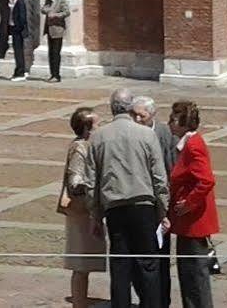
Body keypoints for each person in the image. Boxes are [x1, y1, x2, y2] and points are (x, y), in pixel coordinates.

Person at [89, 87, 171, 308]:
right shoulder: (146, 134)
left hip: (114, 207)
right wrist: (163, 210)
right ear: (131, 107)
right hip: (143, 206)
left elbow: (93, 181)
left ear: (112, 108)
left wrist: (95, 216)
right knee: (149, 265)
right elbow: (159, 177)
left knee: (120, 267)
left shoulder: (98, 136)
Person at [168, 101, 219, 308]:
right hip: (186, 222)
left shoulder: (193, 145)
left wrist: (188, 204)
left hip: (194, 222)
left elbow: (206, 180)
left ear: (182, 122)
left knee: (195, 275)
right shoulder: (186, 144)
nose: (169, 123)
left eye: (172, 119)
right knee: (187, 274)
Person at [61, 106, 105, 308]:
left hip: (88, 210)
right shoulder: (80, 147)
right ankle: (79, 303)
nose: (101, 127)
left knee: (85, 264)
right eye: (98, 124)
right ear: (88, 129)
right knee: (80, 265)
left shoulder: (90, 145)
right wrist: (93, 187)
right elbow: (75, 180)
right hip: (81, 212)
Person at [136, 95, 177, 176]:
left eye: (142, 116)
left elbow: (173, 164)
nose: (137, 119)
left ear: (152, 114)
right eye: (134, 115)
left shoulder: (167, 133)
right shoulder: (128, 132)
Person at [42, 0, 71, 82]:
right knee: (50, 53)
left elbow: (67, 12)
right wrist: (48, 10)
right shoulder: (48, 0)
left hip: (57, 30)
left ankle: (57, 75)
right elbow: (43, 9)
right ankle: (52, 74)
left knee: (56, 53)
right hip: (49, 30)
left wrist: (55, 15)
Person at [7, 0, 32, 80]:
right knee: (17, 52)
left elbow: (22, 17)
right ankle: (18, 70)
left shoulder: (20, 1)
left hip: (18, 31)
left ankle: (21, 72)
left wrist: (18, 28)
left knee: (19, 52)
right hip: (15, 29)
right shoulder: (13, 2)